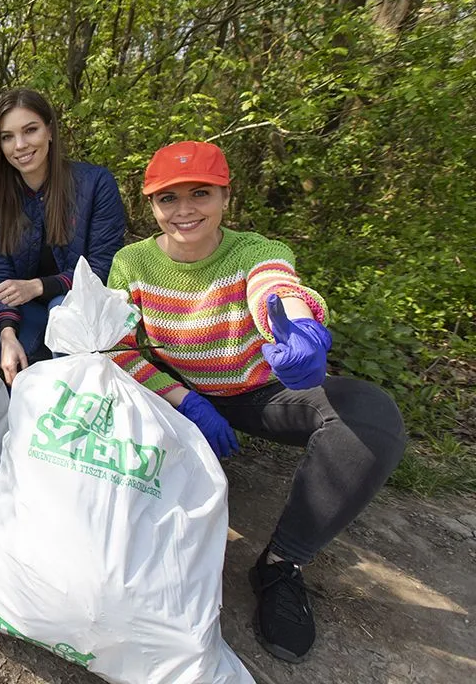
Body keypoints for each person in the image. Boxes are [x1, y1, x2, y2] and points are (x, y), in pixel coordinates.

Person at [106, 140, 406, 663]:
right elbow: (117, 349)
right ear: (150, 205)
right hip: (172, 396)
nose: (184, 211)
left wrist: (301, 329)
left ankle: (280, 565)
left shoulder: (252, 250)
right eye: (167, 198)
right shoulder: (131, 262)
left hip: (255, 390)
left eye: (200, 193)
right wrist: (184, 401)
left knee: (371, 418)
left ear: (225, 195)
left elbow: (276, 287)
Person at [0, 88, 127, 384]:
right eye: (7, 136)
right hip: (32, 312)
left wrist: (38, 286)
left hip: (83, 312)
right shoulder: (4, 196)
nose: (20, 145)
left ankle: (76, 417)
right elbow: (2, 274)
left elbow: (100, 269)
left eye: (30, 130)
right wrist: (7, 334)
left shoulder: (95, 183)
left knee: (63, 309)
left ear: (49, 130)